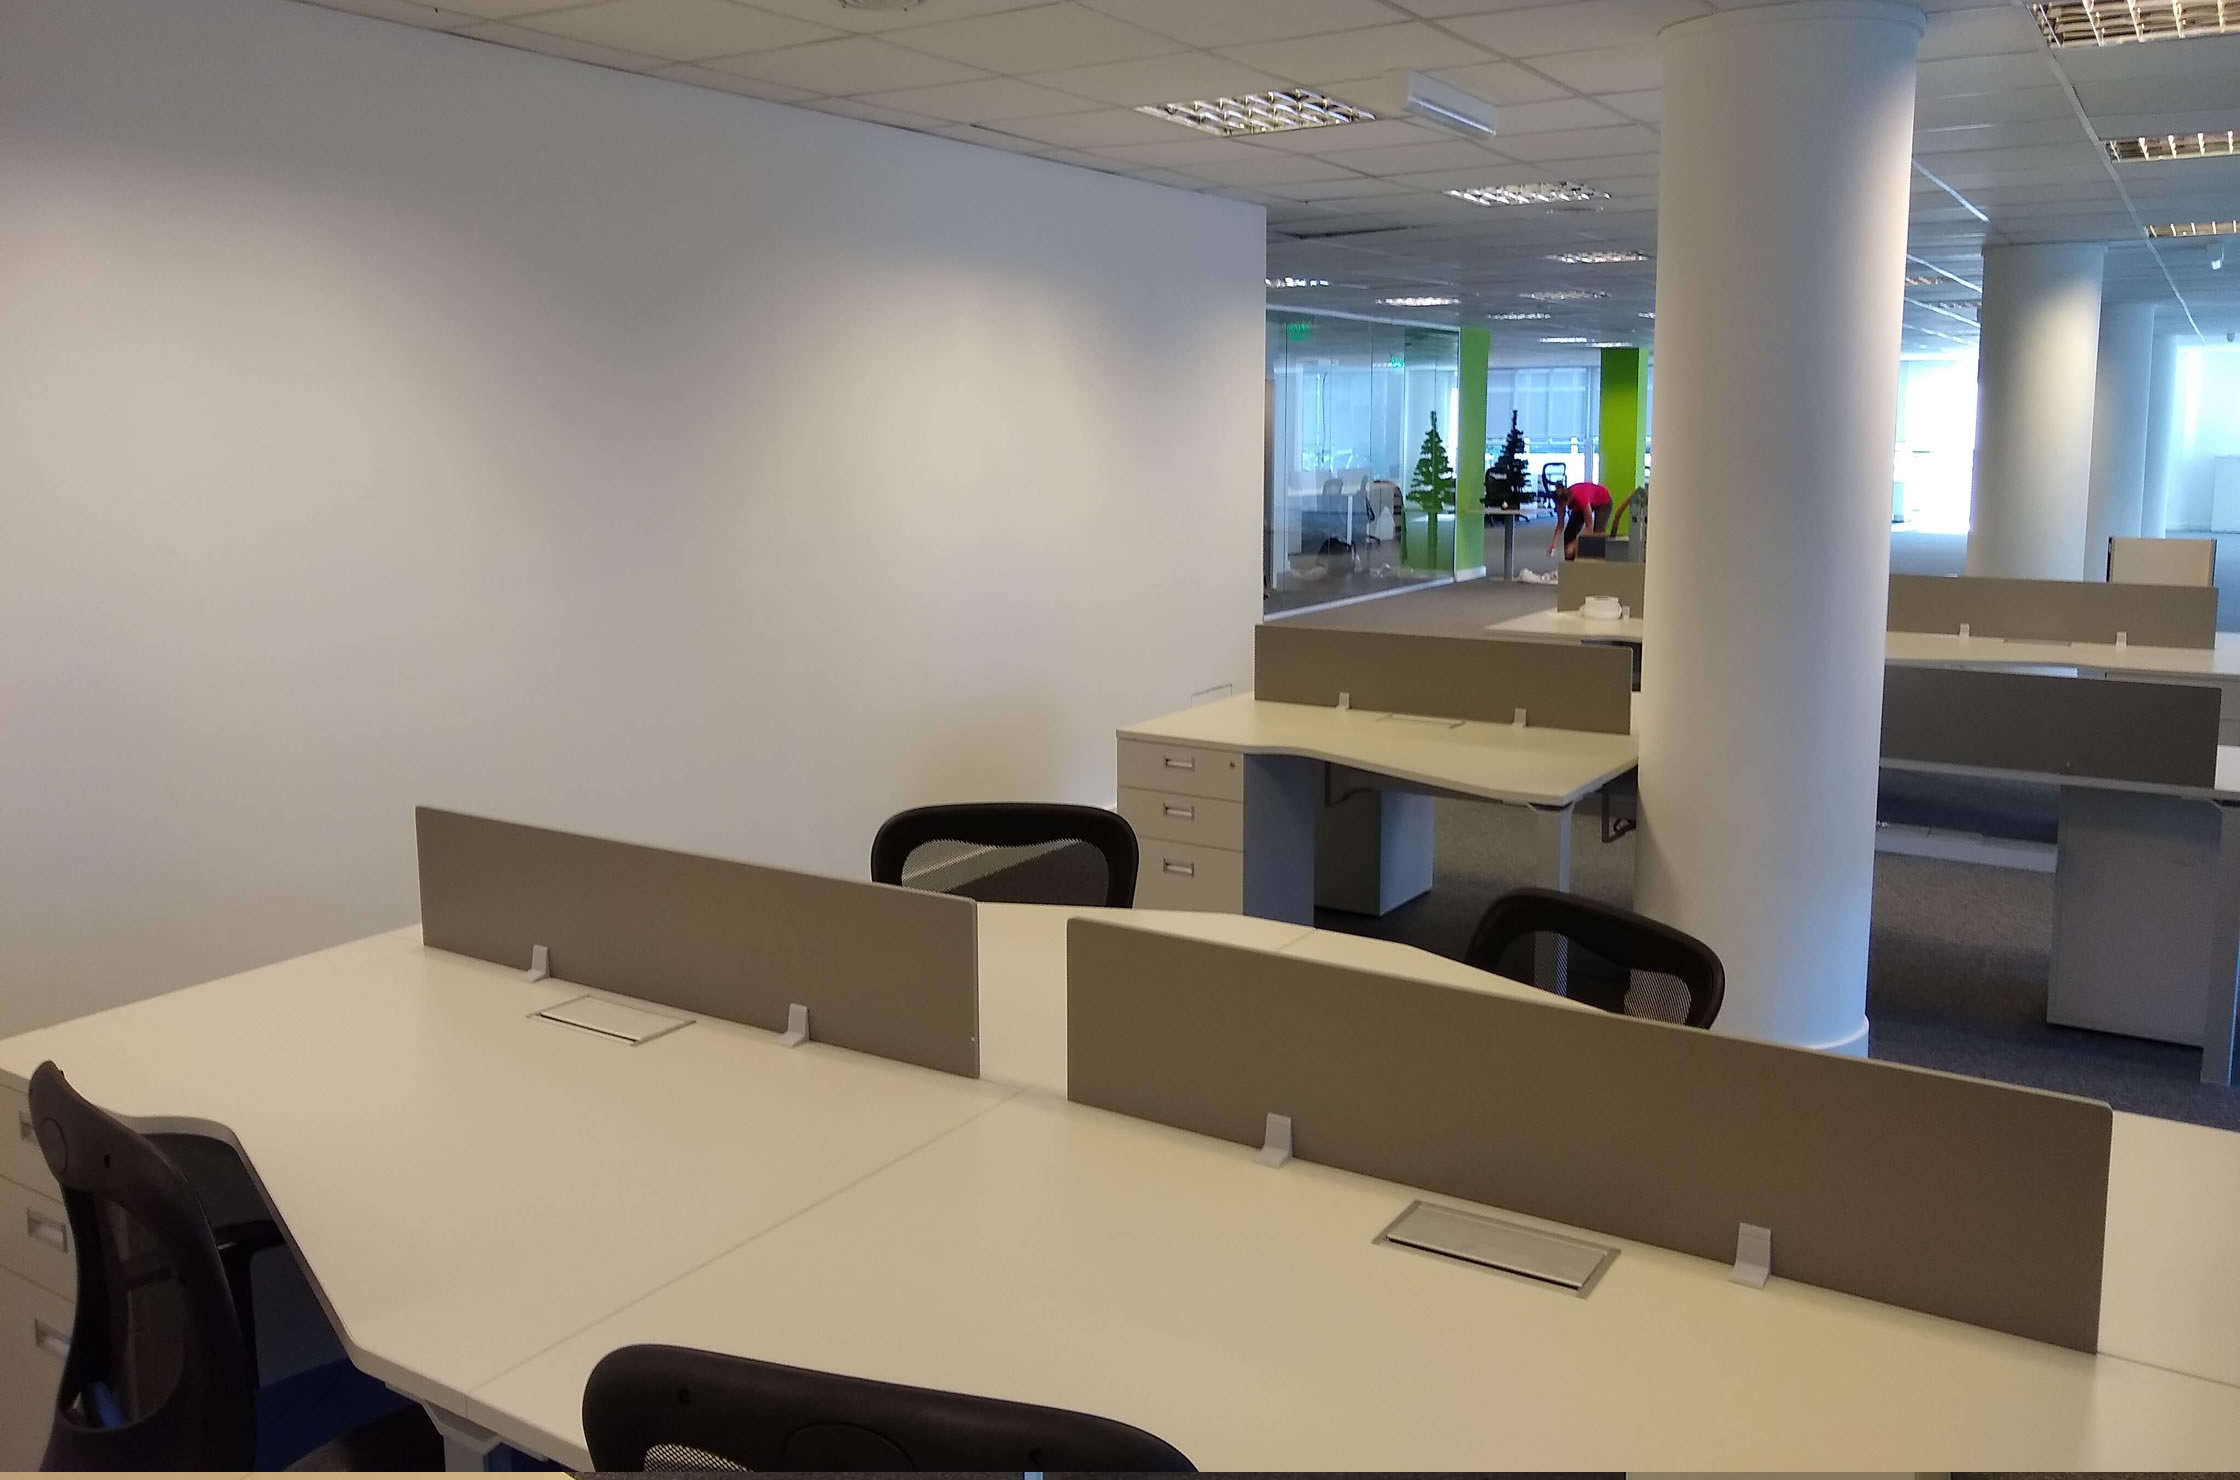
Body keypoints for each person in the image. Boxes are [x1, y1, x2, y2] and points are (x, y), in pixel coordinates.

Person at [1548, 479, 1613, 560]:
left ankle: (1597, 561)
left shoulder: (1581, 499)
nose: (1560, 508)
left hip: (1603, 501)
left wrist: (1574, 544)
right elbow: (1560, 525)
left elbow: (1589, 529)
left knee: (1597, 533)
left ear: (1567, 501)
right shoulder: (1560, 501)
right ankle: (1569, 562)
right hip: (1583, 501)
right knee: (1569, 533)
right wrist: (1553, 544)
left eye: (1562, 506)